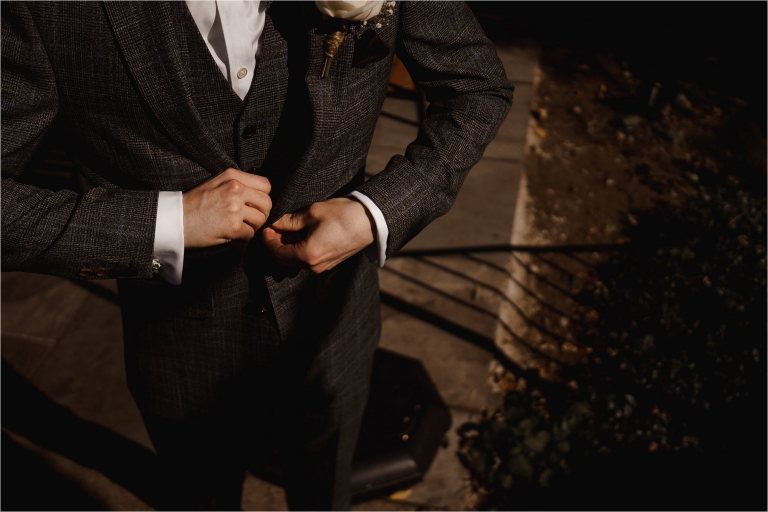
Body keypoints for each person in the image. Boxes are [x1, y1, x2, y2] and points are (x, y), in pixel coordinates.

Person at [1, 1, 513, 509]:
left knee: (325, 487)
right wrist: (166, 222)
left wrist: (373, 212)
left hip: (335, 326)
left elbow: (477, 89)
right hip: (180, 346)